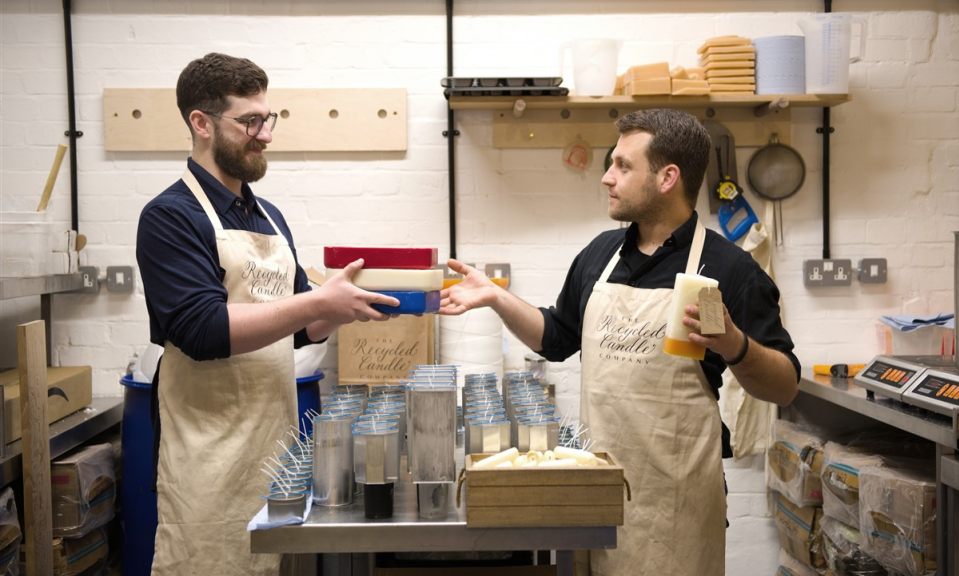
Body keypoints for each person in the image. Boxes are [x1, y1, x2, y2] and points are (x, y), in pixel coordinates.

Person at [440, 108, 800, 576]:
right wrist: (496, 297)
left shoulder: (727, 269)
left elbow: (784, 387)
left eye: (623, 166)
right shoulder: (600, 254)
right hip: (596, 493)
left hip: (678, 503)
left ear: (668, 177)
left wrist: (734, 344)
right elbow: (555, 338)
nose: (607, 178)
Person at [135, 53, 399, 575]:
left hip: (274, 457)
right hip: (207, 466)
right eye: (250, 121)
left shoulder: (267, 216)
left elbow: (299, 327)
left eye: (268, 118)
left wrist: (349, 306)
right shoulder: (170, 216)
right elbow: (203, 330)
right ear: (201, 123)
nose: (266, 135)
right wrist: (318, 301)